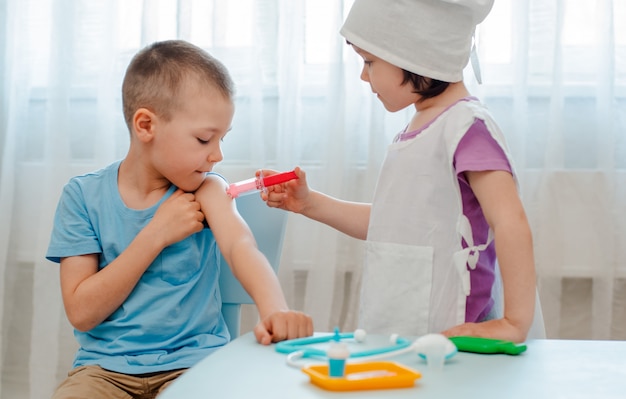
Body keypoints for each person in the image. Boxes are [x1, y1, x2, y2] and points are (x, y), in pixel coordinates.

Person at [46, 40, 313, 399]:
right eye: (204, 139)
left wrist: (275, 309)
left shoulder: (207, 191)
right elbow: (81, 312)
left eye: (221, 139)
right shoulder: (81, 197)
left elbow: (240, 247)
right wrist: (154, 235)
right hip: (103, 372)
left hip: (196, 366)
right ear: (146, 125)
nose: (217, 155)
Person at [262, 0, 537, 343]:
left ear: (415, 53)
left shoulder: (466, 127)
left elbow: (511, 222)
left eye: (369, 61)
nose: (364, 75)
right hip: (403, 330)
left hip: (454, 334)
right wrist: (309, 203)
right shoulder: (419, 130)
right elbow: (392, 225)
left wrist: (515, 322)